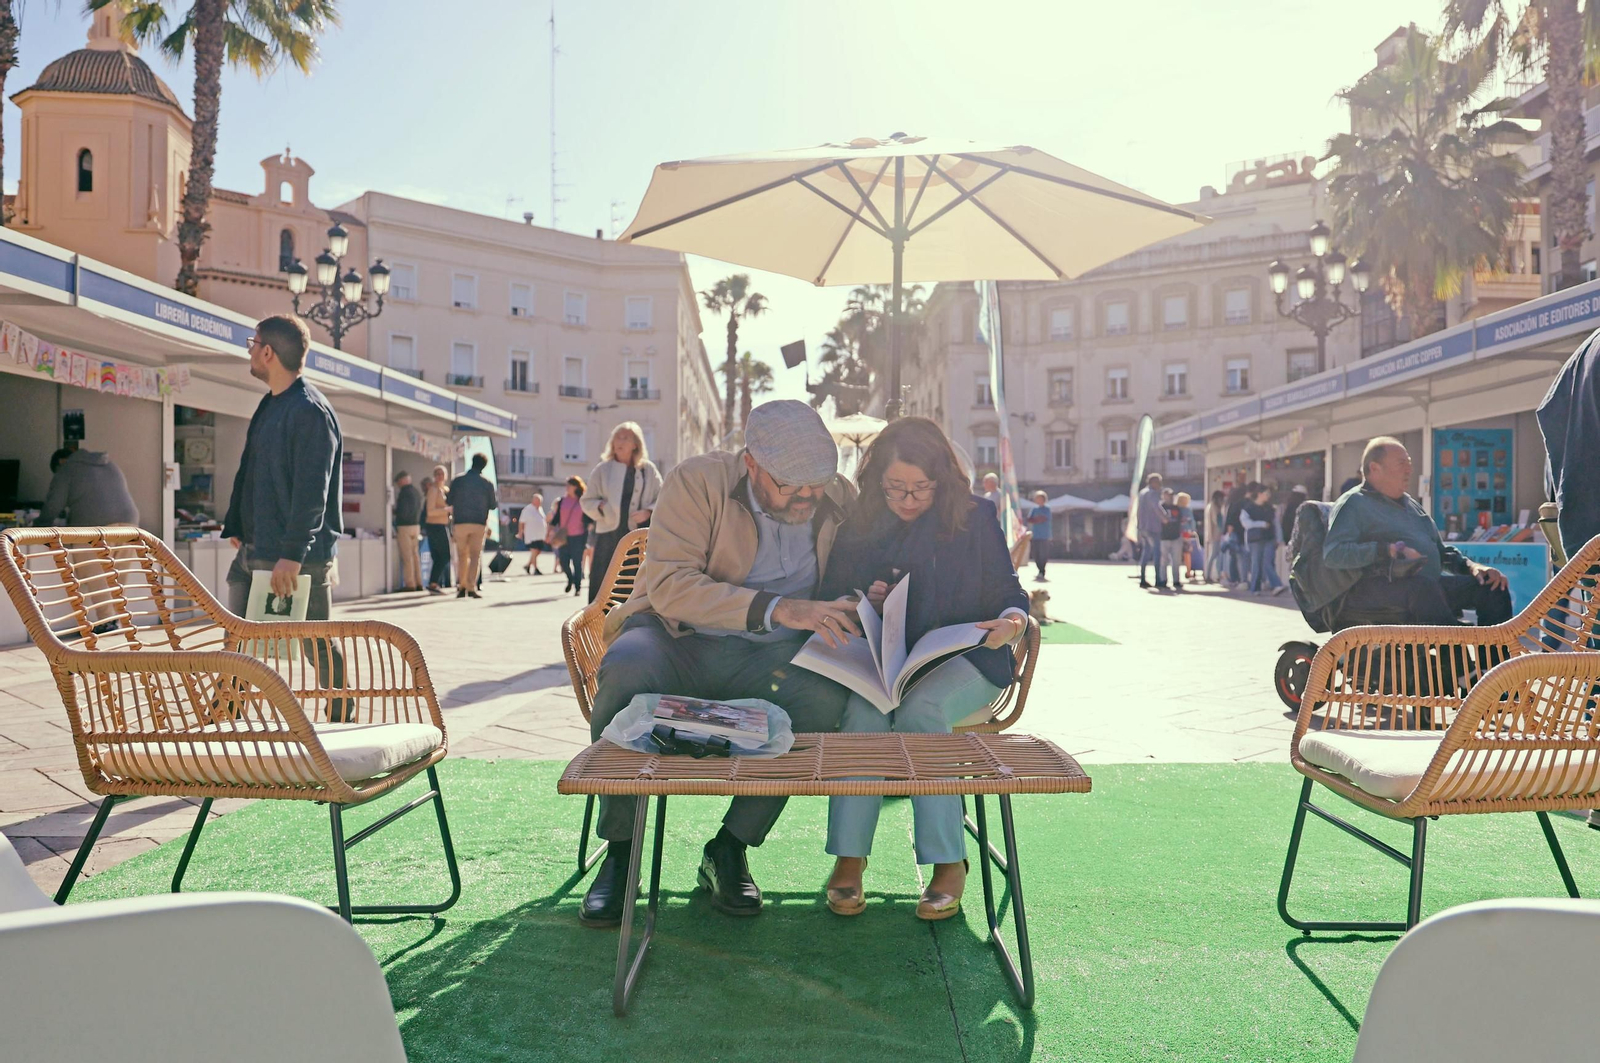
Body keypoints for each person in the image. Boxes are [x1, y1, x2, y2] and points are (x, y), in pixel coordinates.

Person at [580, 399, 858, 927]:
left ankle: (728, 849)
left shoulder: (839, 497)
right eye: (790, 485)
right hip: (675, 638)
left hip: (771, 657)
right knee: (627, 669)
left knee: (824, 697)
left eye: (816, 484)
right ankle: (620, 852)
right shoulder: (696, 481)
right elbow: (669, 587)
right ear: (750, 462)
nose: (806, 497)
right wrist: (780, 608)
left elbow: (863, 563)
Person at [818, 417, 1028, 921]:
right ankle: (850, 858)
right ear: (877, 481)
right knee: (865, 716)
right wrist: (858, 599)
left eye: (920, 489)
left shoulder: (974, 517)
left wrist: (1014, 621)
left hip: (968, 658)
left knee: (922, 710)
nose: (907, 500)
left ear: (943, 481)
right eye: (895, 488)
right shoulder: (862, 523)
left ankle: (948, 862)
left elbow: (1007, 589)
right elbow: (831, 595)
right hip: (886, 661)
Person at [221, 315, 346, 713]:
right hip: (256, 547)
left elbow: (313, 493)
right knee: (236, 637)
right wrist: (237, 524)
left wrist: (292, 554)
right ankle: (228, 709)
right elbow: (251, 469)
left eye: (252, 343)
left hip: (296, 555)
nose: (249, 350)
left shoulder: (311, 412)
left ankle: (342, 712)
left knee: (316, 643)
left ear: (268, 352)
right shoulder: (271, 404)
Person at [1324, 437, 1511, 624]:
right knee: (1423, 587)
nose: (1409, 470)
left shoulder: (1411, 504)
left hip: (1426, 588)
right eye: (1401, 463)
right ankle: (1453, 648)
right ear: (1374, 468)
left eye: (1409, 463)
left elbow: (1441, 552)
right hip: (1374, 593)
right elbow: (1334, 554)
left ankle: (1493, 652)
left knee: (1492, 587)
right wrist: (1387, 550)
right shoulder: (1354, 503)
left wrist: (1472, 567)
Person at [583, 422, 661, 602]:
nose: (620, 441)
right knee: (603, 583)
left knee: (633, 584)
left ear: (635, 444)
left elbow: (662, 497)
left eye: (626, 437)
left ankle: (629, 625)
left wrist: (648, 512)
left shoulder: (648, 470)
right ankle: (598, 626)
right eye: (617, 436)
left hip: (637, 539)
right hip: (607, 537)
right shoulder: (602, 469)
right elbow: (587, 500)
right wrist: (601, 507)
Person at [35, 447, 139, 527]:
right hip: (130, 524)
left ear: (61, 462)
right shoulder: (110, 464)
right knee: (127, 556)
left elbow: (53, 506)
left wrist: (38, 526)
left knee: (87, 555)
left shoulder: (66, 469)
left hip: (95, 529)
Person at [447, 454, 496, 600]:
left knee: (462, 555)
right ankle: (471, 587)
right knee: (475, 555)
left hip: (460, 522)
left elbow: (449, 500)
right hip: (479, 523)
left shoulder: (458, 480)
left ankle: (461, 587)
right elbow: (493, 505)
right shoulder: (487, 483)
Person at [1240, 483, 1285, 596]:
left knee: (1268, 561)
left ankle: (1276, 584)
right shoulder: (1248, 508)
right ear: (1259, 494)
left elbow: (1276, 523)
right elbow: (1245, 523)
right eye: (1266, 494)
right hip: (1255, 540)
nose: (1268, 496)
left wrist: (1279, 538)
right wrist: (1261, 524)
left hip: (1268, 538)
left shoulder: (1269, 508)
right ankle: (1255, 587)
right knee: (1256, 563)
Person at [550, 477, 589, 595]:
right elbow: (556, 517)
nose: (566, 488)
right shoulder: (562, 501)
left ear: (575, 486)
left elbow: (588, 518)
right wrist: (550, 531)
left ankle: (578, 587)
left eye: (569, 485)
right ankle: (570, 579)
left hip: (578, 536)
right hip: (564, 537)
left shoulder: (582, 501)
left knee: (577, 562)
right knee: (563, 562)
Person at [422, 465, 451, 595]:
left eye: (442, 474)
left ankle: (434, 583)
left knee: (439, 556)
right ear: (434, 476)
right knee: (444, 556)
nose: (440, 476)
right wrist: (446, 511)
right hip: (435, 526)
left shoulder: (444, 490)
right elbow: (430, 511)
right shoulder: (433, 490)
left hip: (442, 524)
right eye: (437, 474)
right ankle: (433, 583)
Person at [392, 471, 423, 592]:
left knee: (407, 556)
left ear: (403, 480)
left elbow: (403, 511)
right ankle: (419, 582)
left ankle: (410, 584)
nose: (398, 484)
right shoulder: (416, 491)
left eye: (399, 482)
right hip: (416, 526)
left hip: (404, 527)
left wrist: (396, 513)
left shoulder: (404, 493)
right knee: (415, 555)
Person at [1136, 472, 1164, 589]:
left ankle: (1142, 578)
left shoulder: (1142, 493)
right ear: (1153, 482)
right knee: (1157, 553)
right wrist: (1164, 517)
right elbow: (1156, 507)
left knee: (1146, 552)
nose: (1160, 485)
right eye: (1159, 482)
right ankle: (1158, 579)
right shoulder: (1152, 493)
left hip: (1143, 527)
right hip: (1153, 527)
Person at [1025, 490, 1052, 581]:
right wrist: (1036, 519)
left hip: (1044, 536)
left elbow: (1043, 519)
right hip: (1035, 535)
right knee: (1035, 554)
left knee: (1043, 554)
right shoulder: (1034, 509)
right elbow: (1029, 519)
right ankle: (1039, 569)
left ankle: (1042, 571)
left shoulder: (1047, 509)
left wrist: (1036, 519)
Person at [519, 492, 547, 574]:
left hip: (540, 535)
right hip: (531, 534)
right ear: (533, 500)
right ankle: (535, 569)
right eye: (537, 500)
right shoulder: (527, 510)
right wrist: (520, 532)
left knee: (538, 551)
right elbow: (521, 522)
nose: (539, 502)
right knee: (534, 550)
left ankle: (528, 565)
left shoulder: (540, 509)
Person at [1177, 491, 1201, 579]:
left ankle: (1176, 573)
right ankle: (1188, 571)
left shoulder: (1176, 509)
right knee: (1187, 553)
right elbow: (1192, 522)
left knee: (1177, 555)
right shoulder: (1187, 510)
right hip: (1186, 533)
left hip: (1177, 534)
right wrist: (1193, 530)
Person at [1203, 490, 1226, 584]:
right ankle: (1208, 575)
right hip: (1216, 534)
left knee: (1215, 555)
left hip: (1214, 534)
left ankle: (1215, 574)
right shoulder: (1214, 507)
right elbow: (1218, 521)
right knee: (1214, 555)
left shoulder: (1210, 506)